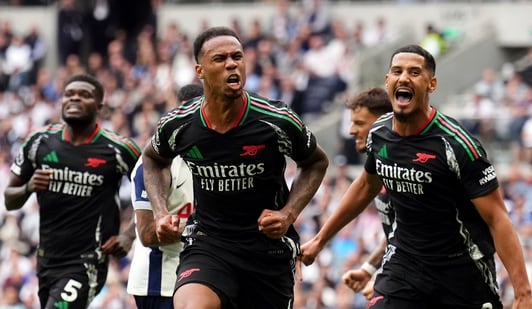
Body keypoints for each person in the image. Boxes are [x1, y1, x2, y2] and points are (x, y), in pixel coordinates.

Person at [300, 44, 532, 309]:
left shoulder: (457, 145)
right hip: (405, 264)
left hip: (461, 271)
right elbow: (367, 184)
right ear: (388, 80)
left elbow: (497, 218)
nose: (404, 78)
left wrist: (523, 293)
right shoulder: (379, 133)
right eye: (397, 71)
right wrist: (320, 239)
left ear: (431, 83)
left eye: (414, 72)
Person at [141, 26, 329, 309]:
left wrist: (288, 213)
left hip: (267, 248)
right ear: (200, 70)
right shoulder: (179, 124)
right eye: (220, 59)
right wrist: (160, 212)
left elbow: (316, 162)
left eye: (237, 57)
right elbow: (153, 159)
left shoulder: (276, 120)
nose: (232, 64)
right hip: (209, 242)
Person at [4, 74, 141, 309]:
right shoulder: (39, 142)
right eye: (69, 94)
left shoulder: (119, 148)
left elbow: (153, 191)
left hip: (87, 261)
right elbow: (9, 199)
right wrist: (28, 187)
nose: (75, 98)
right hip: (47, 258)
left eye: (84, 95)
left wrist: (129, 235)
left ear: (99, 106)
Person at [127, 83, 203, 309]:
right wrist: (204, 229)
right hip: (161, 282)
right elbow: (148, 233)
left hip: (204, 277)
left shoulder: (217, 158)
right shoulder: (154, 163)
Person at [336, 87, 394, 300]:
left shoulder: (405, 166)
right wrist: (369, 269)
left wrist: (388, 282)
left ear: (383, 122)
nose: (351, 130)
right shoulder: (380, 162)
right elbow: (398, 232)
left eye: (359, 123)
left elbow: (418, 236)